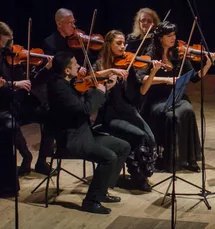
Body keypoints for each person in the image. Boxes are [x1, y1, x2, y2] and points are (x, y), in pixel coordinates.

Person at [47, 51, 130, 214]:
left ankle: (102, 189)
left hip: (85, 133)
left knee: (123, 147)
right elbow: (86, 109)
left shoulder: (67, 82)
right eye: (75, 64)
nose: (79, 66)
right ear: (66, 70)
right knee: (109, 157)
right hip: (72, 139)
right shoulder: (59, 88)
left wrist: (104, 88)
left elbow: (85, 99)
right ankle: (91, 201)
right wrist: (99, 91)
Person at [138, 21, 215, 172]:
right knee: (172, 116)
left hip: (177, 96)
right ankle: (169, 158)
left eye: (174, 35)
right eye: (169, 35)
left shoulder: (179, 54)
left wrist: (206, 66)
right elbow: (142, 78)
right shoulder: (150, 55)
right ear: (160, 38)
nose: (173, 38)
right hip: (156, 99)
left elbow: (194, 78)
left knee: (187, 110)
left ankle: (187, 158)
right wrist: (166, 80)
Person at [92, 30, 157, 191]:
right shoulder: (100, 65)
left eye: (123, 43)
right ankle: (137, 177)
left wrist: (153, 71)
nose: (123, 47)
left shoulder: (128, 63)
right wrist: (111, 72)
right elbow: (92, 78)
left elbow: (142, 91)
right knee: (139, 136)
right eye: (118, 43)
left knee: (150, 137)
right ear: (109, 45)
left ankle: (143, 173)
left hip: (128, 111)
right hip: (110, 116)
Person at [0, 21, 53, 175]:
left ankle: (42, 161)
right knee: (10, 123)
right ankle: (26, 155)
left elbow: (31, 83)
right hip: (5, 104)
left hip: (21, 102)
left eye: (12, 40)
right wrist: (15, 83)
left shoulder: (14, 58)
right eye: (6, 41)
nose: (11, 46)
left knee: (50, 116)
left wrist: (46, 69)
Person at [43, 8, 87, 74]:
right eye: (70, 23)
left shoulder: (78, 39)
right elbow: (53, 68)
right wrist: (75, 68)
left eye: (73, 22)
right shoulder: (49, 43)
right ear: (59, 24)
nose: (74, 26)